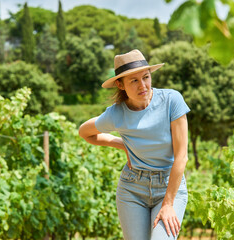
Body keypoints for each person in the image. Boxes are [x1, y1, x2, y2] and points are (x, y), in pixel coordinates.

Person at [79, 49, 190, 240]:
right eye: (134, 80)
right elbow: (84, 132)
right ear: (120, 85)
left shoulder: (172, 101)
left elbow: (181, 156)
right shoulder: (116, 114)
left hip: (168, 185)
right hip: (132, 189)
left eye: (146, 77)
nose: (143, 85)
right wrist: (121, 144)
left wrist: (168, 203)